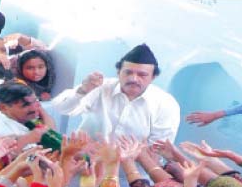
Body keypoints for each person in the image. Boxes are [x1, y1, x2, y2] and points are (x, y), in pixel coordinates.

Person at [51, 43, 180, 146]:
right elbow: (61, 108)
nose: (134, 79)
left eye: (142, 75)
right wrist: (83, 91)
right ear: (118, 72)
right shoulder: (100, 87)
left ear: (153, 77)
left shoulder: (166, 104)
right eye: (128, 72)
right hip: (86, 166)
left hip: (131, 175)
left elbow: (158, 149)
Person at [0, 80, 56, 148]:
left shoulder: (22, 116)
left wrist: (38, 108)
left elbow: (51, 133)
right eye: (26, 105)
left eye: (35, 100)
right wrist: (26, 140)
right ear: (4, 107)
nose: (33, 108)